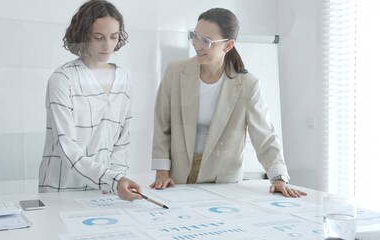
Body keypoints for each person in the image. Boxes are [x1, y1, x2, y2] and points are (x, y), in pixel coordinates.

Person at [150, 8, 307, 198]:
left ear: (228, 45)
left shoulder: (247, 85)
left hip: (223, 183)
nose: (197, 45)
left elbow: (264, 136)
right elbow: (162, 125)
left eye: (206, 41)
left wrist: (279, 178)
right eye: (195, 36)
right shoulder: (175, 71)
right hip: (178, 178)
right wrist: (162, 171)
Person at [38, 0, 141, 201]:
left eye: (113, 37)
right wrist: (113, 180)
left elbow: (122, 141)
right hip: (62, 188)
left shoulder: (123, 78)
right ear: (84, 35)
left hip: (105, 192)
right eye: (99, 37)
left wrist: (116, 179)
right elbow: (66, 148)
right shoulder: (63, 79)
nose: (107, 45)